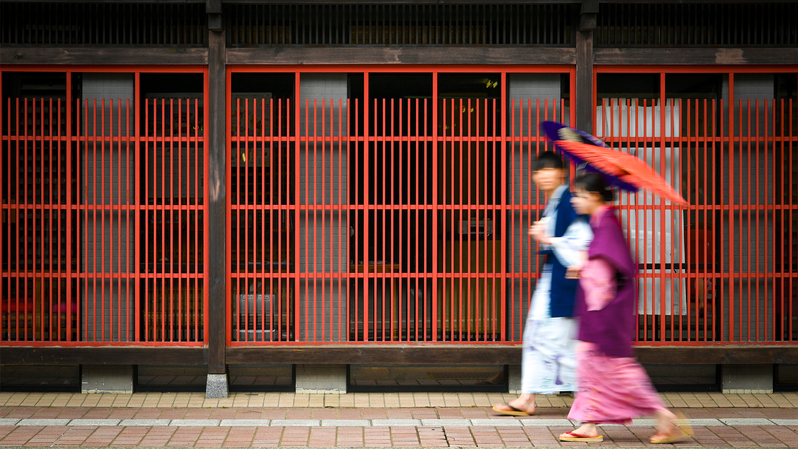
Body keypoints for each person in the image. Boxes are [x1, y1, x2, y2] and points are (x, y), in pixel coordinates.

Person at [558, 172, 691, 444]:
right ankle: (589, 424)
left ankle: (664, 416)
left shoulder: (606, 225)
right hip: (600, 314)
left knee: (619, 372)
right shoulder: (603, 221)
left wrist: (584, 268)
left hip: (603, 314)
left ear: (594, 196)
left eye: (579, 195)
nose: (575, 200)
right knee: (592, 367)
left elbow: (605, 275)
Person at [492, 151, 592, 416]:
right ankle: (528, 396)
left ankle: (590, 396)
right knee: (537, 336)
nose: (543, 175)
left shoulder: (570, 202)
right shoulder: (557, 202)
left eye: (549, 169)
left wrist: (548, 238)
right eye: (538, 171)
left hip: (566, 284)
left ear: (561, 172)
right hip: (554, 282)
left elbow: (581, 241)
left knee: (558, 341)